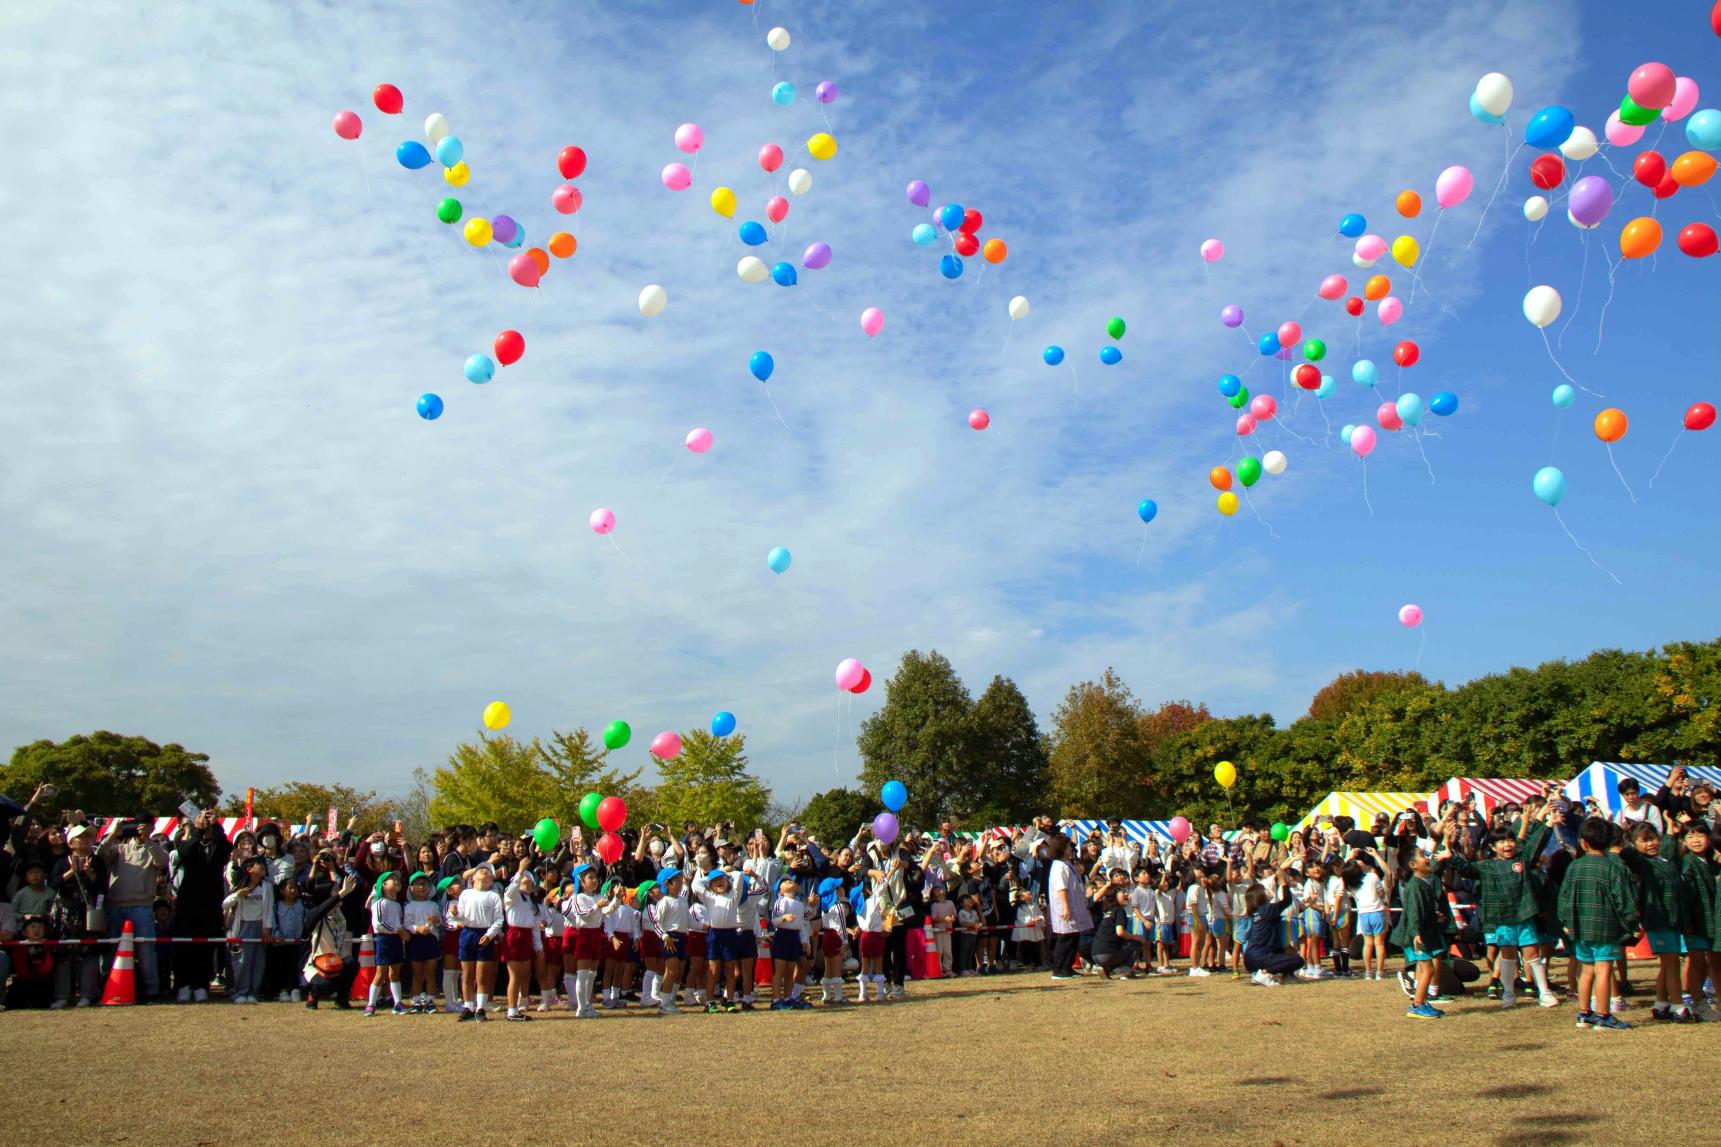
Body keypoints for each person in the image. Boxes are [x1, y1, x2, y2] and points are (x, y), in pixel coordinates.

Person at [1444, 808, 1554, 1008]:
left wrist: (1548, 824)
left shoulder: (1521, 860)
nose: (1507, 845)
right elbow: (1466, 868)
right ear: (1493, 847)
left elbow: (1535, 845)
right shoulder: (1486, 866)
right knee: (1508, 957)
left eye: (1510, 840)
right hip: (1502, 919)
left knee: (1532, 955)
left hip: (1524, 915)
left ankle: (1544, 992)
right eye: (1502, 842)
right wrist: (1450, 851)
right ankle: (1509, 994)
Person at [1557, 816, 1639, 1031]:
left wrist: (1566, 922)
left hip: (1579, 927)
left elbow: (1564, 897)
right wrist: (1632, 924)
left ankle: (1584, 1014)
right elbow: (1624, 901)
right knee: (1604, 970)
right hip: (1605, 927)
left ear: (1583, 842)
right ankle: (1603, 1015)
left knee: (1587, 970)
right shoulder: (1613, 868)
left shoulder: (1574, 867)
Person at [1619, 821, 1687, 1022]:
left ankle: (1661, 1003)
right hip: (1659, 921)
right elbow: (1627, 854)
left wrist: (1670, 830)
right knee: (1672, 964)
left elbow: (1668, 846)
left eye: (1653, 838)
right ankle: (1678, 1006)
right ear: (1635, 844)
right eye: (1644, 840)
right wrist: (1628, 837)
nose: (1651, 844)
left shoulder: (1664, 860)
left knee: (1667, 965)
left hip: (1673, 921)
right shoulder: (1643, 864)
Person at [100, 819, 169, 1001]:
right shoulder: (119, 848)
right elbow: (100, 855)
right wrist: (114, 833)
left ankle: (151, 991)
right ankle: (107, 987)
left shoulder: (154, 848)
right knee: (112, 949)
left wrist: (148, 840)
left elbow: (162, 862)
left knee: (146, 951)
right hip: (116, 905)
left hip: (142, 907)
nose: (140, 830)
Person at [1391, 848, 1447, 1018]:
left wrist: (1433, 915)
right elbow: (1414, 911)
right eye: (1423, 856)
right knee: (1427, 969)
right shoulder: (1415, 886)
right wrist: (1416, 933)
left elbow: (1422, 910)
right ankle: (1417, 1005)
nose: (1427, 858)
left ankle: (1421, 1001)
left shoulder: (1422, 883)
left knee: (1425, 969)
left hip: (1422, 933)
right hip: (1416, 936)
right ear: (1413, 865)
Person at [451, 864, 503, 1021]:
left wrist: (489, 935)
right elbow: (461, 915)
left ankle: (480, 1008)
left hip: (484, 935)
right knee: (467, 974)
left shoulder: (493, 896)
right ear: (473, 878)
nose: (485, 872)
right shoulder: (466, 894)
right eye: (481, 870)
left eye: (488, 872)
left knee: (482, 975)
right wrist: (455, 913)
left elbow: (499, 919)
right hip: (468, 933)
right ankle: (468, 1007)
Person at [222, 854, 274, 1005]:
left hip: (260, 927)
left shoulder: (267, 886)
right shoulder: (240, 886)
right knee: (242, 961)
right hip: (242, 927)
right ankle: (240, 991)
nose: (263, 867)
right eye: (259, 865)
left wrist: (268, 928)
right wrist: (238, 895)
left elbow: (269, 908)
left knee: (258, 961)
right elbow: (225, 905)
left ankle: (253, 991)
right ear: (249, 869)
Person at [300, 874, 357, 1010]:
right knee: (325, 985)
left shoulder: (340, 914)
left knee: (351, 964)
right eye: (335, 891)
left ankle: (341, 999)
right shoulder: (314, 915)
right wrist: (342, 893)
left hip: (336, 960)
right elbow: (319, 911)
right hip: (316, 965)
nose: (340, 893)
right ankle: (312, 995)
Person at [500, 861, 543, 1021]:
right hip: (515, 935)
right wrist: (519, 871)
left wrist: (537, 945)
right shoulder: (513, 896)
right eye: (524, 877)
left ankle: (522, 1002)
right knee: (515, 975)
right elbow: (511, 890)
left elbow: (534, 925)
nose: (527, 879)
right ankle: (512, 1010)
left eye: (529, 878)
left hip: (526, 936)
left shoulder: (530, 901)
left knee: (525, 972)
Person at [1241, 877, 1302, 986]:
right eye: (1265, 890)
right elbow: (1287, 901)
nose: (1268, 890)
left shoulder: (1256, 912)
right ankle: (1264, 973)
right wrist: (1284, 885)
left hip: (1250, 957)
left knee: (1282, 954)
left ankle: (1261, 975)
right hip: (1261, 956)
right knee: (1298, 960)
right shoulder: (1267, 909)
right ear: (1260, 895)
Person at [1045, 835, 1090, 980]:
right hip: (1065, 907)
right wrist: (1066, 907)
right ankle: (1058, 969)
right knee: (1065, 938)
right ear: (1062, 848)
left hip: (1074, 906)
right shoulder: (1058, 866)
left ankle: (1067, 967)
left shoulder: (1067, 864)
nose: (1072, 849)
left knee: (1074, 937)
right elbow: (1061, 888)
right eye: (1069, 846)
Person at [366, 870, 406, 1015]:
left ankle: (398, 1003)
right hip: (384, 939)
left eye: (397, 879)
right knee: (381, 973)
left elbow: (399, 922)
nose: (396, 881)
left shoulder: (397, 905)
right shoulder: (379, 903)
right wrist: (398, 930)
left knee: (395, 973)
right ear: (383, 885)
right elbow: (379, 924)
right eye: (392, 879)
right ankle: (371, 1004)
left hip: (396, 939)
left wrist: (401, 932)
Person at [403, 870, 443, 1013]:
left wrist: (436, 921)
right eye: (417, 884)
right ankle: (417, 1001)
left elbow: (439, 924)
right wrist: (417, 929)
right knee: (417, 973)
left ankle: (430, 1001)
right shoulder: (409, 906)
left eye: (424, 884)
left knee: (431, 972)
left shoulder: (433, 905)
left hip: (431, 940)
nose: (421, 887)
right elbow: (407, 924)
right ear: (411, 888)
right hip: (416, 940)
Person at [768, 876, 808, 1009]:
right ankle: (776, 999)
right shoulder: (781, 901)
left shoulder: (800, 904)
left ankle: (788, 998)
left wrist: (804, 941)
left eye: (790, 880)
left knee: (790, 970)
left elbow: (801, 924)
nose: (789, 882)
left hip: (794, 936)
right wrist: (784, 918)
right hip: (783, 936)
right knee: (780, 969)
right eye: (784, 882)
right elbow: (774, 920)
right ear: (780, 891)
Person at [1090, 886, 1139, 979]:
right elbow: (1120, 932)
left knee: (1123, 943)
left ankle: (1105, 969)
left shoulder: (1107, 911)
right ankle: (1124, 970)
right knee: (1136, 942)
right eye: (1122, 893)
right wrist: (1135, 937)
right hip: (1107, 954)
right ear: (1114, 896)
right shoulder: (1119, 910)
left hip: (1095, 955)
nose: (1126, 894)